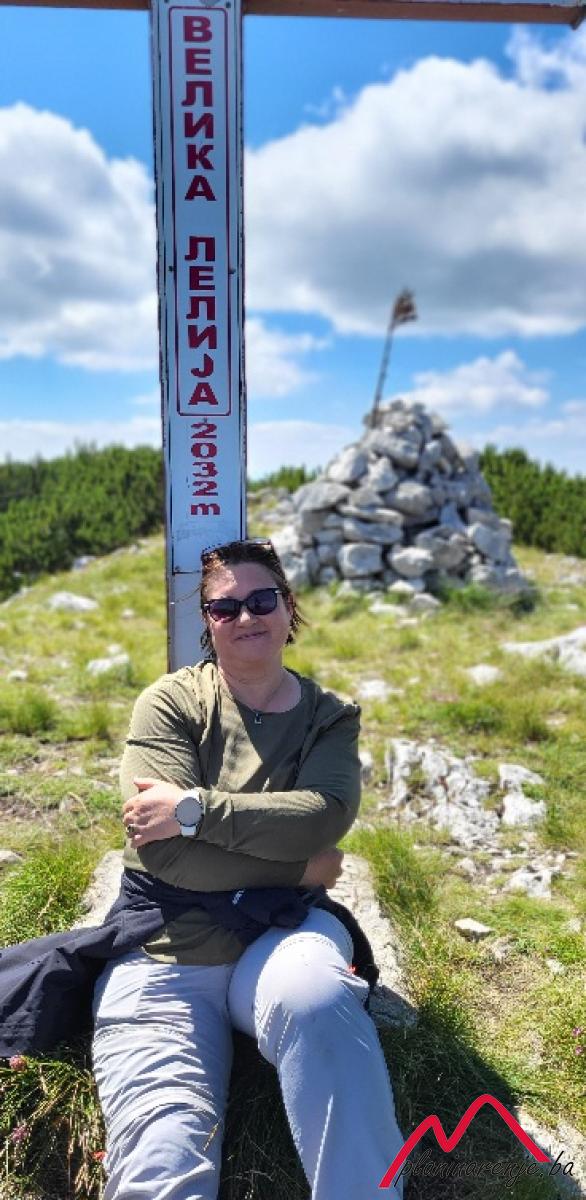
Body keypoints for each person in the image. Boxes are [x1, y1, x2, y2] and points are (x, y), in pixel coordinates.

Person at [91, 538, 405, 1200]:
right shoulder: (170, 704)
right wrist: (300, 870)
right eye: (224, 607)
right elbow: (165, 855)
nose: (245, 617)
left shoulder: (328, 717)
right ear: (206, 622)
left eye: (262, 600)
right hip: (165, 949)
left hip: (280, 933)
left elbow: (322, 818)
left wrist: (193, 809)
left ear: (289, 609)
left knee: (317, 999)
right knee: (161, 1159)